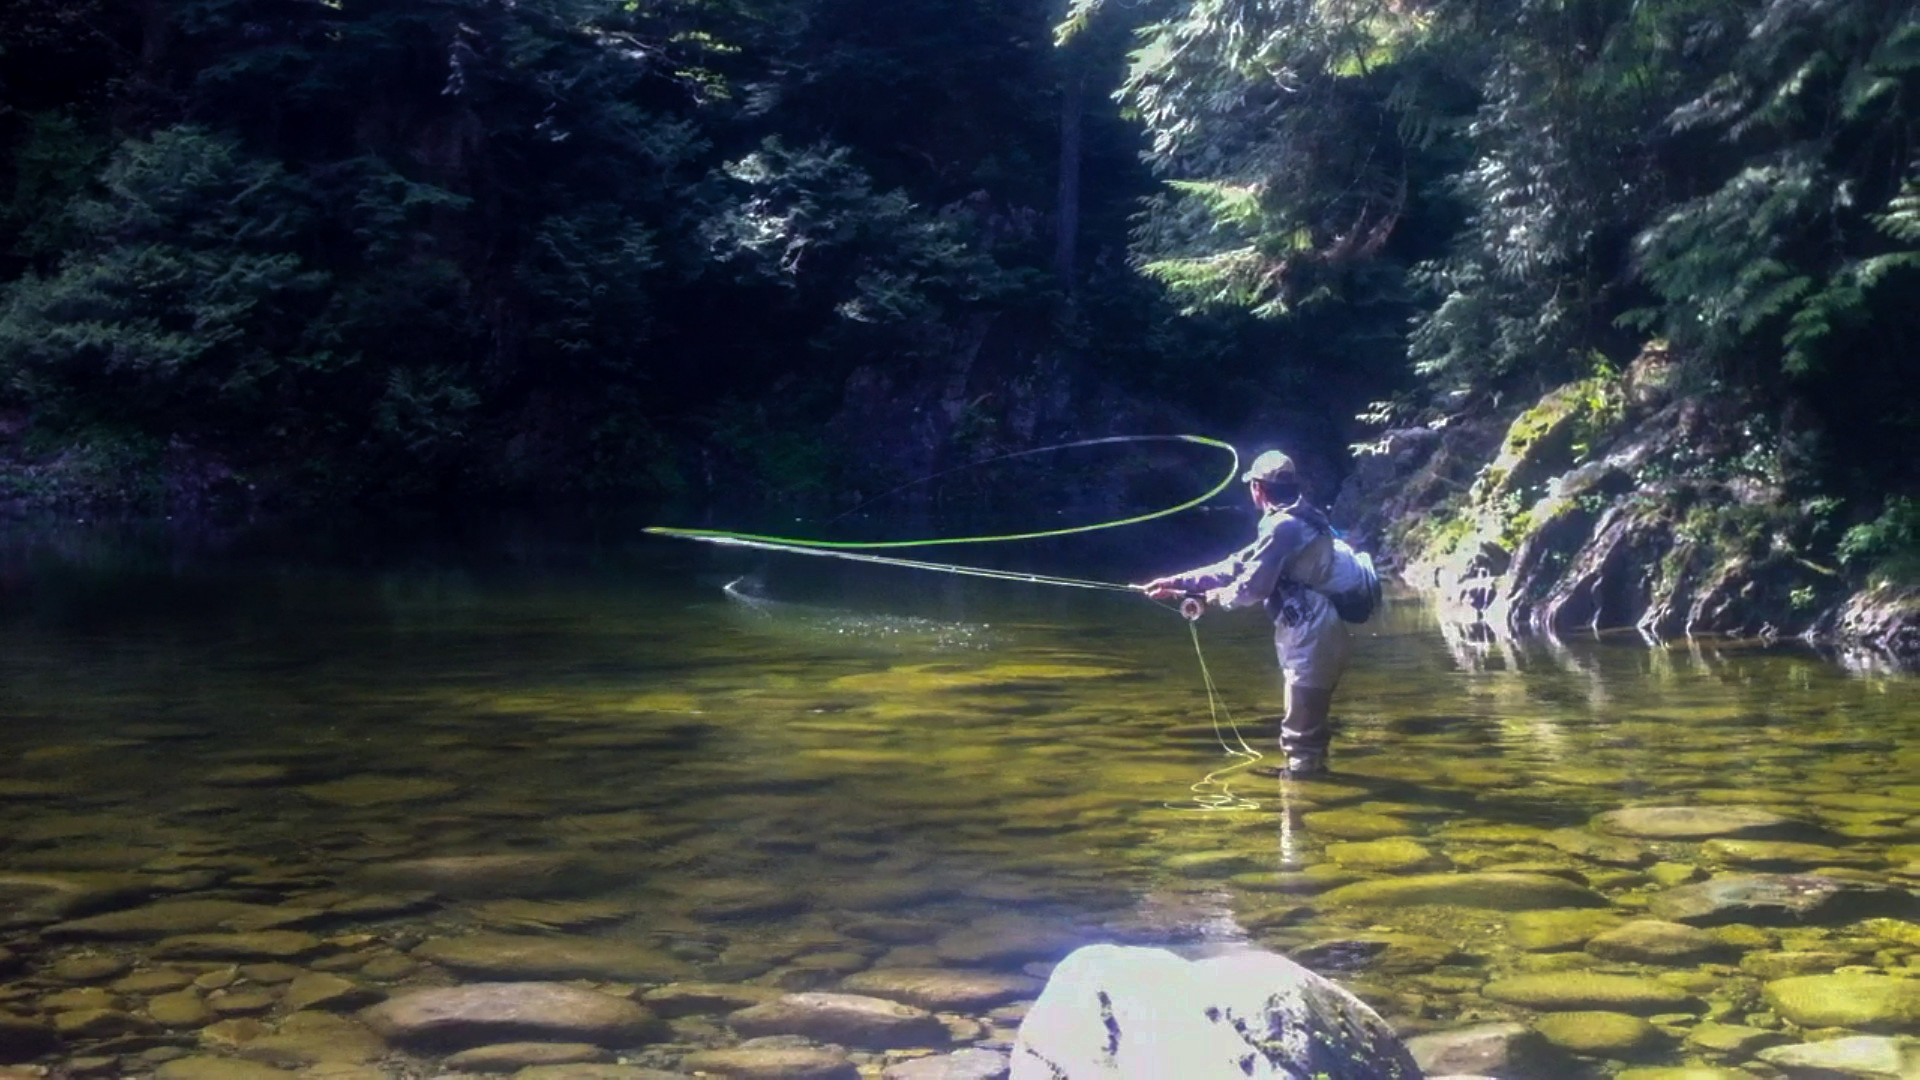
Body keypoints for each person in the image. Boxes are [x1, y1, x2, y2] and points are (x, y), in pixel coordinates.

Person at [1140, 449, 1365, 779]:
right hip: (1318, 626)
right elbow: (1236, 564)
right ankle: (1310, 780)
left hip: (1312, 630)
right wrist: (1179, 582)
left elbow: (1251, 589)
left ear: (1257, 488)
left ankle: (1300, 798)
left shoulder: (1283, 527)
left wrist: (1208, 599)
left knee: (1302, 722)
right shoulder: (1298, 518)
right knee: (1307, 719)